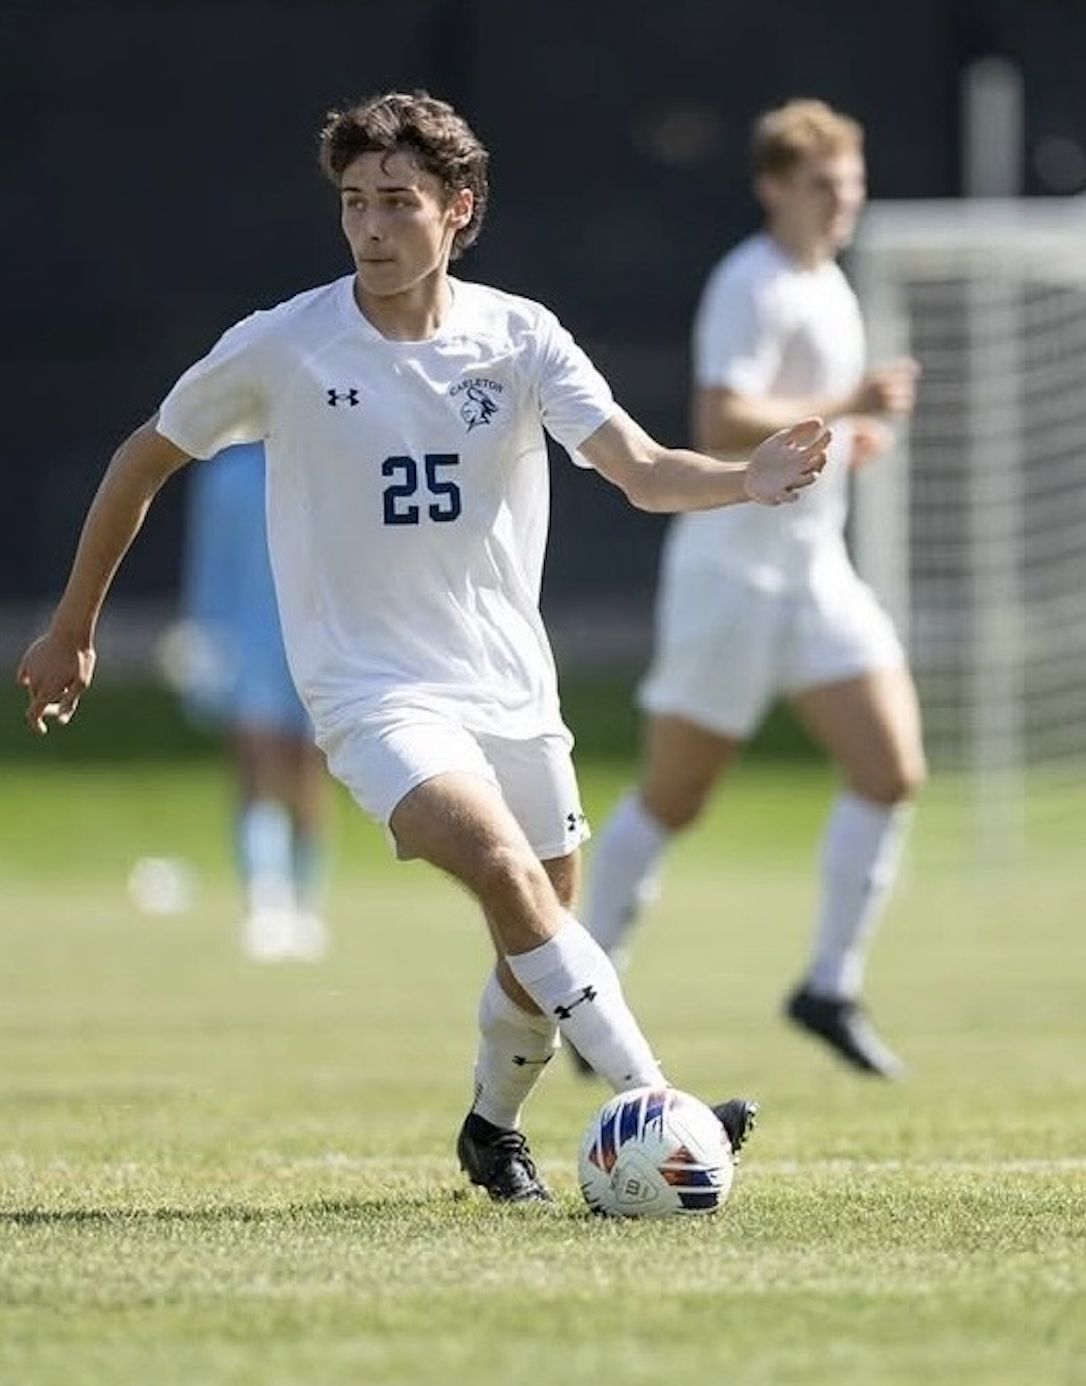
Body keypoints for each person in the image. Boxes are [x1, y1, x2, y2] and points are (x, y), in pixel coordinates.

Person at [16, 90, 829, 1202]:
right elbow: (140, 460)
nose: (370, 226)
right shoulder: (286, 345)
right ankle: (657, 1100)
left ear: (459, 209)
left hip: (510, 686)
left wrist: (745, 477)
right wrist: (73, 628)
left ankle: (491, 1129)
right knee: (503, 871)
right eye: (354, 201)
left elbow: (640, 471)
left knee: (535, 932)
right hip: (373, 693)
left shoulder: (520, 337)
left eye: (397, 200)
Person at [580, 98, 925, 1081]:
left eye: (852, 184)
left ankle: (828, 986)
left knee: (891, 770)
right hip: (730, 577)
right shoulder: (750, 281)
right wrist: (851, 402)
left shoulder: (832, 286)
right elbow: (721, 415)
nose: (843, 201)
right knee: (674, 797)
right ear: (774, 188)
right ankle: (583, 991)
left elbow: (793, 428)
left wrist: (845, 442)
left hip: (816, 573)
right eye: (823, 185)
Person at [176, 440, 330, 962]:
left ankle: (306, 903)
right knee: (255, 761)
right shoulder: (228, 473)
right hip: (247, 640)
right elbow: (210, 560)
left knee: (306, 767)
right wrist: (204, 640)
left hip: (318, 638)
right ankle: (265, 901)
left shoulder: (324, 457)